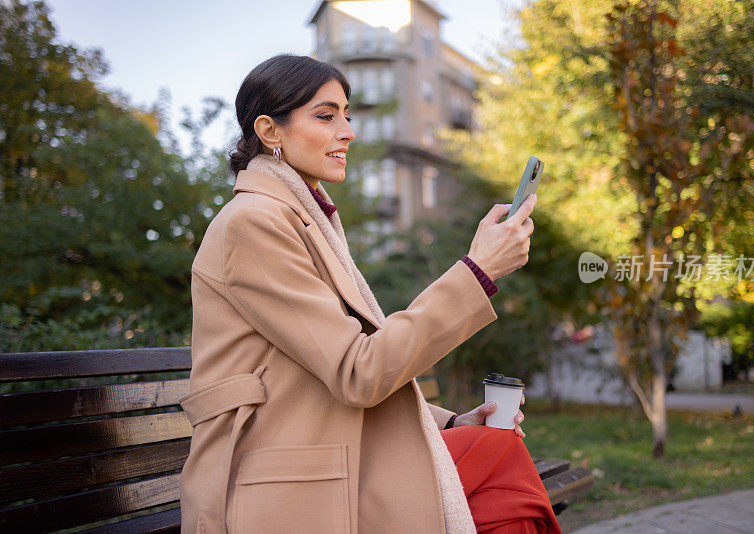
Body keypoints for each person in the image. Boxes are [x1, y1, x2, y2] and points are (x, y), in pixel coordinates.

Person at [178, 54, 560, 534]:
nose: (348, 131)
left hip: (323, 453)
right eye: (326, 115)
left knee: (499, 454)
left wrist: (450, 422)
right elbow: (357, 372)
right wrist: (478, 272)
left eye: (346, 114)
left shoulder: (302, 219)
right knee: (507, 494)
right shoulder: (253, 224)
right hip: (272, 486)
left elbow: (329, 368)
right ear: (270, 132)